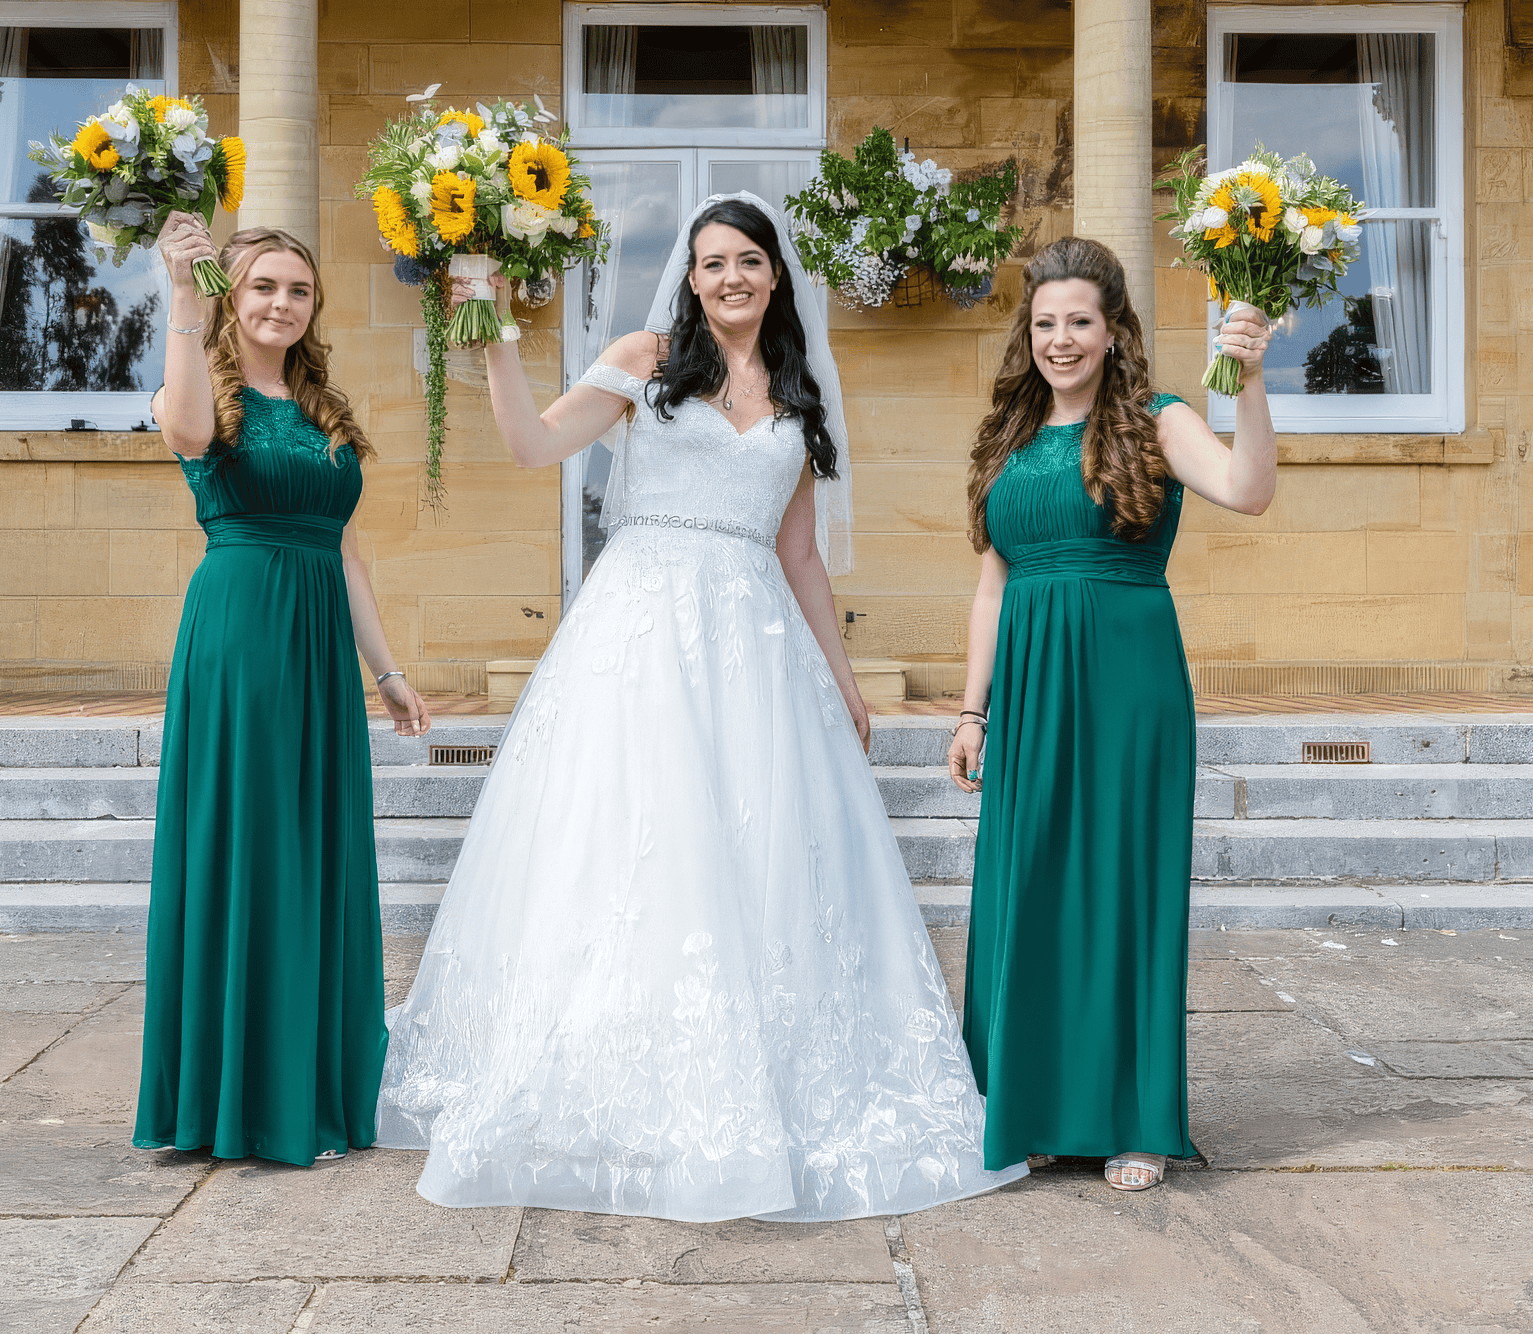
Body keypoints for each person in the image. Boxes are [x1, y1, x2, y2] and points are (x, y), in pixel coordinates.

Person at [375, 193, 1026, 1222]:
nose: (728, 277)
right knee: (632, 840)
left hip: (756, 642)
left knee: (754, 850)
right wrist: (490, 321)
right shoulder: (643, 361)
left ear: (775, 275)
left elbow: (800, 554)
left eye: (747, 261)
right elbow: (529, 447)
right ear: (689, 277)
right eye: (710, 262)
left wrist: (843, 679)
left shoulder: (799, 397)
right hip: (637, 630)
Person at [948, 236, 1277, 1192]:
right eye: (1045, 322)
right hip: (1030, 686)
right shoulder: (1010, 434)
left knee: (1123, 882)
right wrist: (973, 712)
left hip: (1126, 679)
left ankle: (1136, 1118)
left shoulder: (1157, 420)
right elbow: (989, 587)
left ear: (1113, 328)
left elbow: (1249, 492)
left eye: (1078, 321)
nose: (1060, 339)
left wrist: (1249, 382)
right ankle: (1040, 1106)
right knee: (1030, 884)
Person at [133, 215, 431, 1167]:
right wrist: (183, 296)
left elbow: (344, 551)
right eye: (262, 286)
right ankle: (236, 1098)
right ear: (234, 293)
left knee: (311, 850)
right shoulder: (199, 386)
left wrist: (385, 670)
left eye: (298, 290)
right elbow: (182, 433)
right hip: (243, 634)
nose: (280, 304)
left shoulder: (324, 409)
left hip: (318, 654)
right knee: (248, 842)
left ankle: (307, 1085)